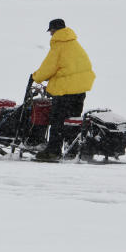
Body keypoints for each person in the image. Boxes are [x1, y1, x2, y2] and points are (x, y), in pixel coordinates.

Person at [32, 18, 96, 162]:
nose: (50, 35)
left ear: (54, 30)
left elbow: (49, 67)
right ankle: (72, 150)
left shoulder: (59, 45)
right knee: (72, 121)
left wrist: (36, 77)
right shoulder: (74, 43)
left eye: (51, 32)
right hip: (80, 89)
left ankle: (53, 152)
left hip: (66, 91)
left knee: (57, 121)